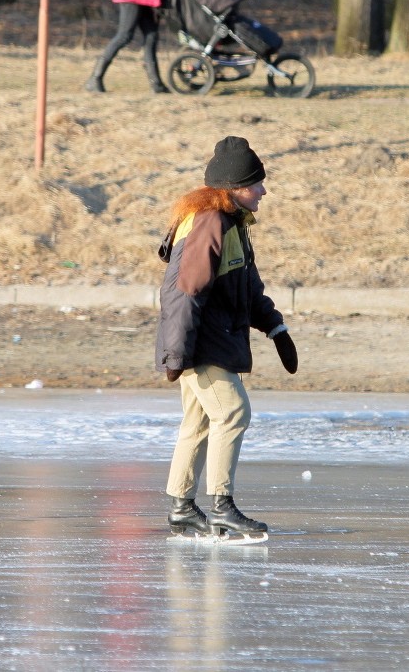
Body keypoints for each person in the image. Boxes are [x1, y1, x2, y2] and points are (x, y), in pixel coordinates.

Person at [156, 136, 298, 538]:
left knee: (199, 421)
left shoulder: (229, 221)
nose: (263, 191)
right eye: (256, 184)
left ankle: (182, 507)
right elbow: (185, 293)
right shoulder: (209, 223)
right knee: (233, 412)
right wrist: (176, 354)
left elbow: (246, 287)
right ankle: (221, 505)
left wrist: (276, 328)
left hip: (210, 338)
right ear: (234, 187)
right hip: (201, 343)